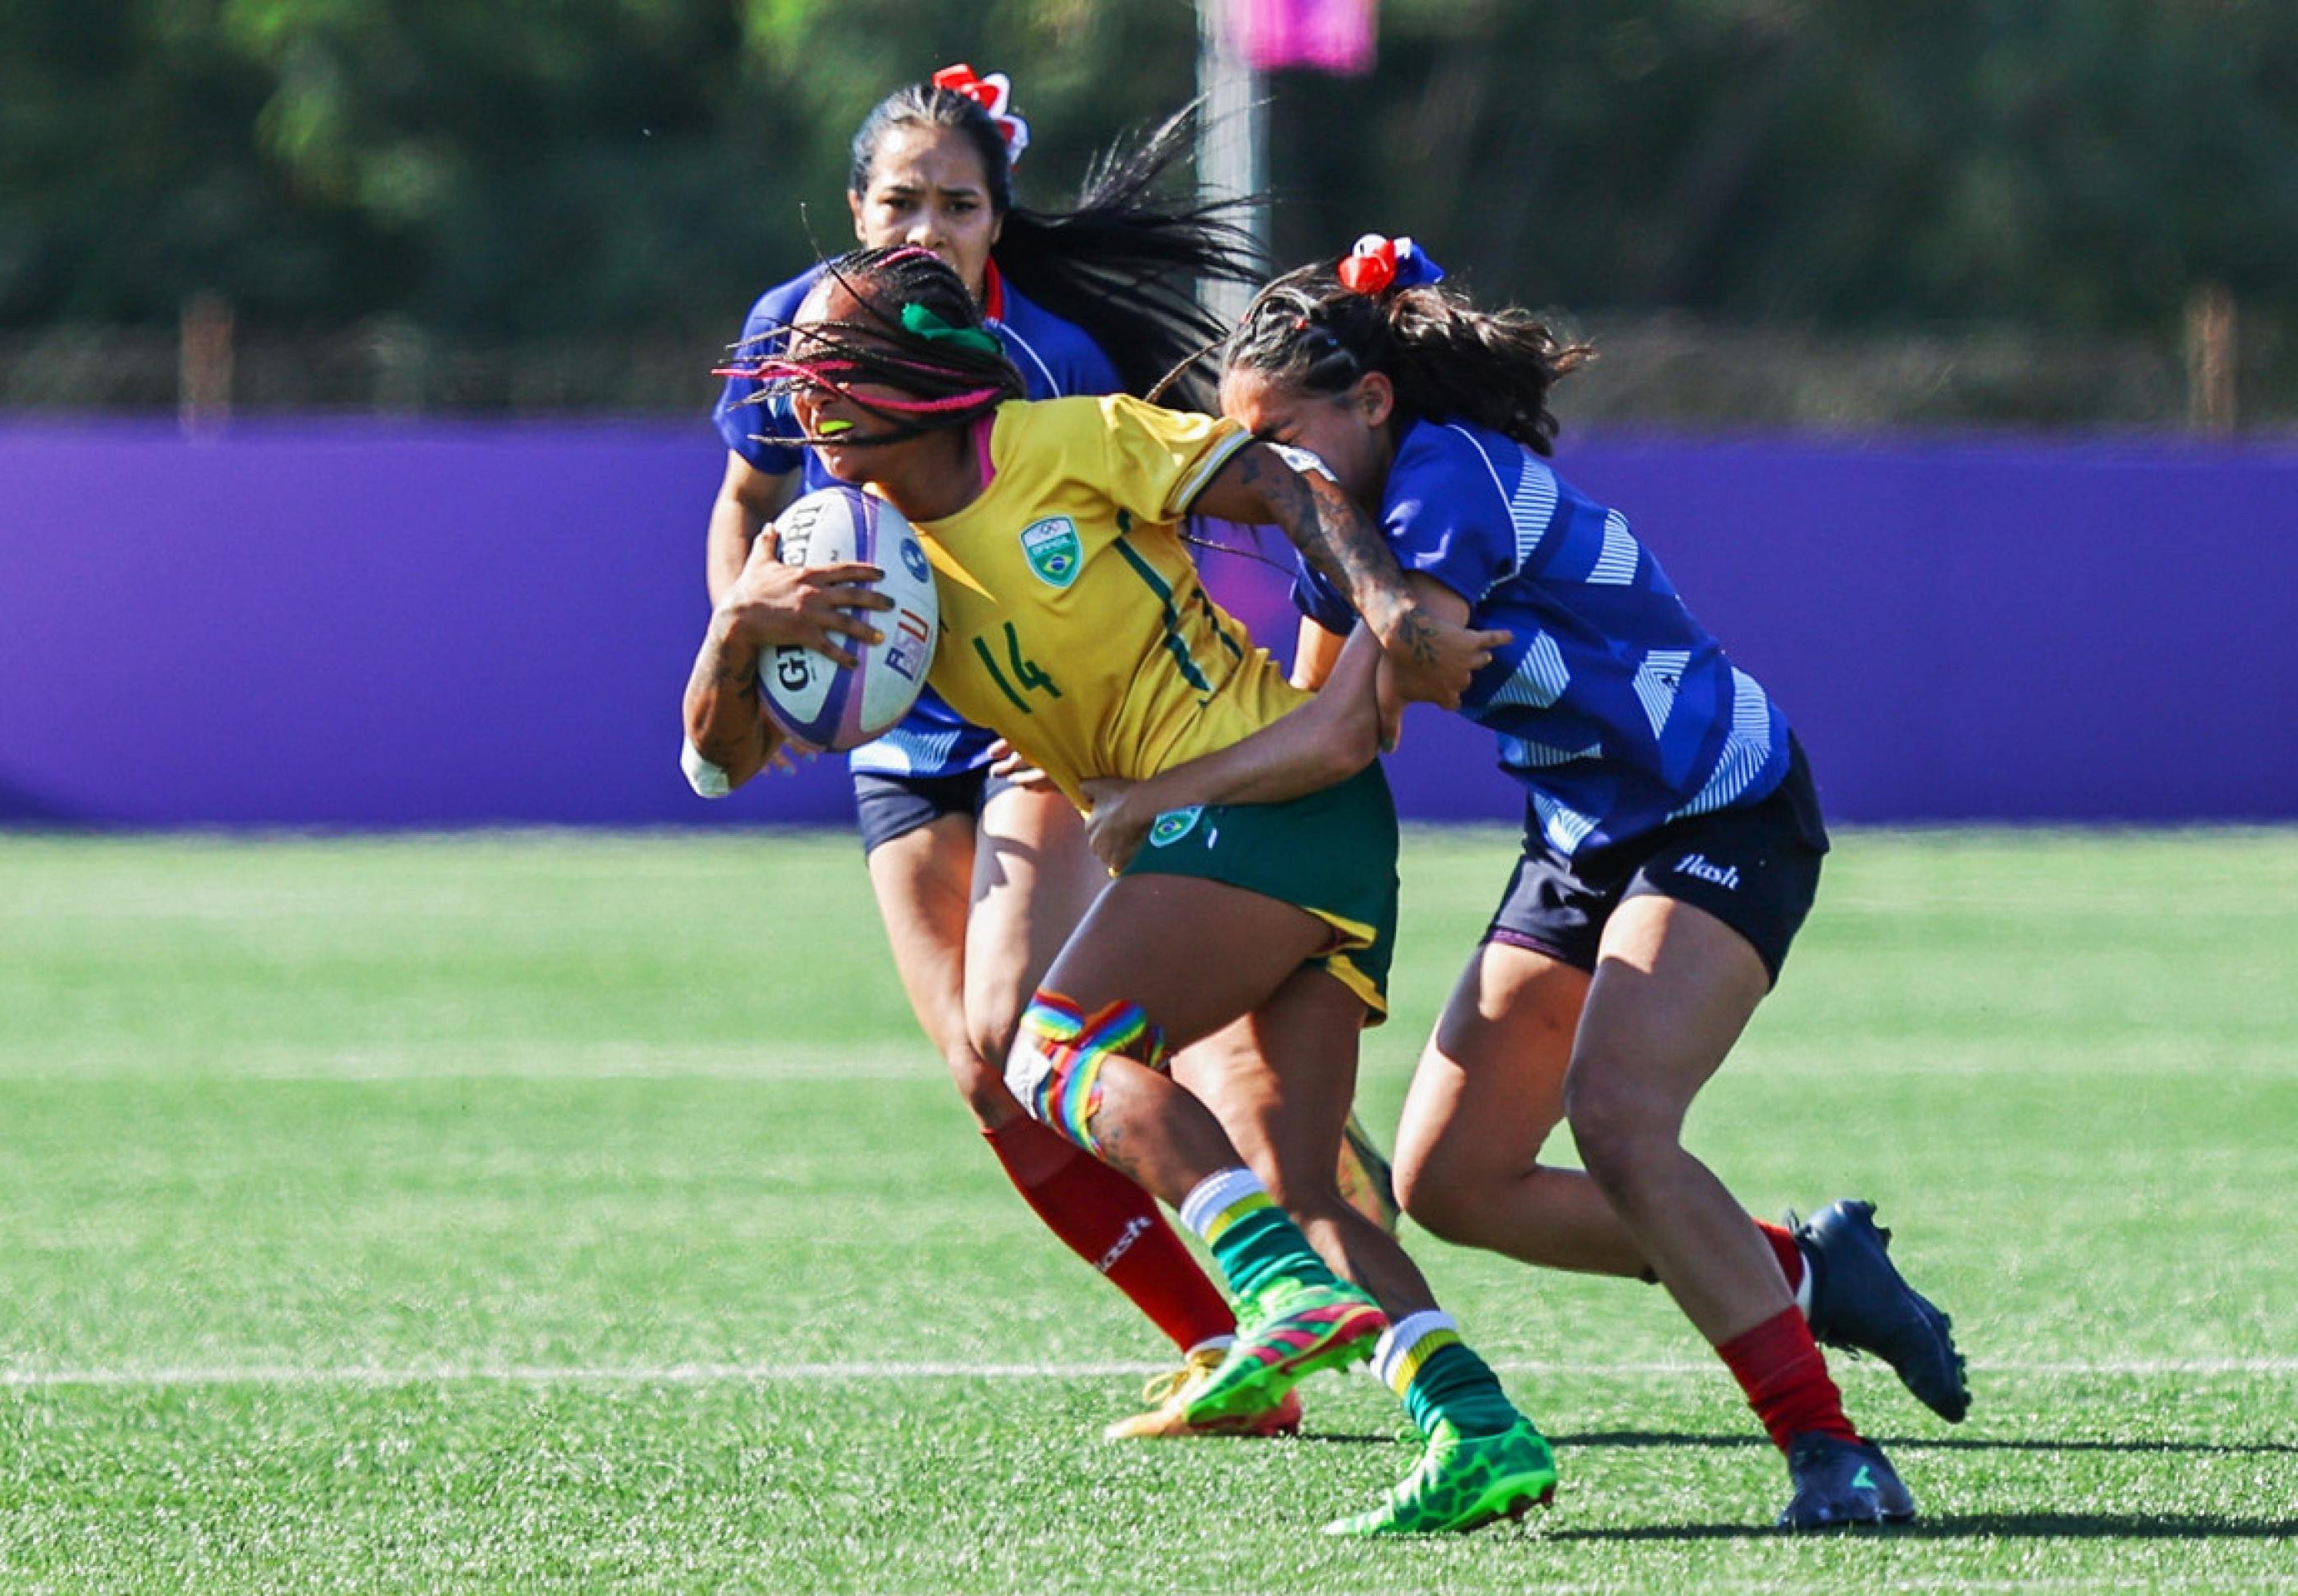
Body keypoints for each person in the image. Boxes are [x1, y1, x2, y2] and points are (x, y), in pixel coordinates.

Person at [1082, 233, 1971, 1530]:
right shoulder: (1362, 517)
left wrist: (1151, 801)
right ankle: (1809, 1276)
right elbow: (1332, 708)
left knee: (1618, 1122)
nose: (1270, 470)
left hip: (1717, 803)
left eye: (1284, 438)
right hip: (1582, 836)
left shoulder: (1444, 480)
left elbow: (1375, 698)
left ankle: (1831, 1455)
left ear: (1372, 402)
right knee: (1452, 1181)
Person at [685, 243, 1554, 1536]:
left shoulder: (1076, 439)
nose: (799, 406)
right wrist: (738, 624)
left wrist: (1381, 603)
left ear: (915, 387)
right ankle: (1479, 1427)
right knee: (1304, 1185)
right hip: (1272, 837)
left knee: (1050, 1052)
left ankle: (1268, 1294)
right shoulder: (856, 561)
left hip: (1264, 806)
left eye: (829, 376)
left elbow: (1283, 477)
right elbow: (719, 762)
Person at [704, 65, 1324, 1439]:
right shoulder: (797, 326)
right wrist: (751, 642)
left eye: (958, 204)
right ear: (857, 207)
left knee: (1043, 1037)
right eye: (899, 201)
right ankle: (1232, 1348)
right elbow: (745, 498)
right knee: (986, 1077)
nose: (925, 227)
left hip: (1024, 729)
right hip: (892, 734)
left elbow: (1137, 531)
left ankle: (1287, 1220)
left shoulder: (1048, 361)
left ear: (1000, 217)